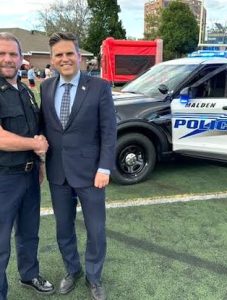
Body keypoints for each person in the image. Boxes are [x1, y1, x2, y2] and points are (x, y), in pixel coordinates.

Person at [40, 32, 116, 300]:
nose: (65, 59)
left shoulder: (100, 87)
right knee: (63, 228)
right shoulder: (46, 87)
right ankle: (72, 270)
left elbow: (109, 131)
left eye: (69, 53)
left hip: (91, 174)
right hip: (58, 173)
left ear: (79, 56)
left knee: (96, 230)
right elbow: (45, 129)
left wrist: (105, 168)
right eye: (58, 55)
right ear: (52, 60)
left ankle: (94, 277)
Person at [0, 32, 55, 300]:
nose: (7, 59)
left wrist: (40, 162)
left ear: (22, 59)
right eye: (2, 54)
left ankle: (29, 273)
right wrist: (34, 145)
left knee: (29, 231)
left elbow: (34, 130)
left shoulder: (24, 90)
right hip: (3, 178)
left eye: (13, 54)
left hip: (29, 175)